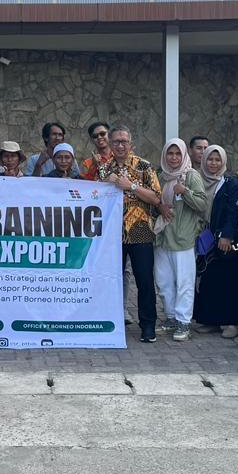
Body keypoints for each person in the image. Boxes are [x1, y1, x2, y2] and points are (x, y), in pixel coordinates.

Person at [97, 126, 163, 342]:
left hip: (140, 230)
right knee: (111, 279)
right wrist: (104, 185)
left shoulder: (144, 166)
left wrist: (131, 186)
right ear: (110, 144)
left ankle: (148, 325)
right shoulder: (104, 169)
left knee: (144, 280)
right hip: (112, 233)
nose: (120, 145)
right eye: (116, 141)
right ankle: (111, 322)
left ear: (131, 144)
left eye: (124, 141)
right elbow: (95, 197)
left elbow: (156, 198)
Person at [154, 139, 209, 343]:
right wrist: (159, 207)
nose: (174, 158)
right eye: (170, 153)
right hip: (162, 236)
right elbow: (154, 201)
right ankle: (171, 317)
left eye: (178, 153)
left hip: (183, 237)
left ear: (184, 155)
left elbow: (202, 204)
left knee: (184, 282)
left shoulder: (191, 175)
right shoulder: (161, 176)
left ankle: (183, 321)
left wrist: (185, 191)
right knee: (163, 281)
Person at [193, 145, 238, 337]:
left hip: (225, 240)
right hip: (206, 239)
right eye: (210, 159)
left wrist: (227, 235)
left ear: (223, 162)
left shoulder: (230, 184)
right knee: (210, 281)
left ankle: (231, 323)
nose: (213, 163)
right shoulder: (198, 181)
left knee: (229, 282)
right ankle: (211, 320)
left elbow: (234, 211)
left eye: (218, 160)